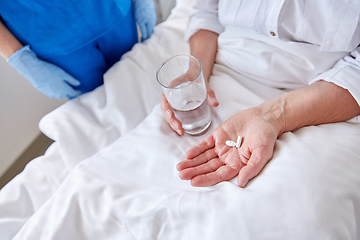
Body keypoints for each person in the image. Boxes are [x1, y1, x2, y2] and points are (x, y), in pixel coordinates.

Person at [161, 0, 360, 188]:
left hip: (324, 95)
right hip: (219, 71)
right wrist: (196, 75)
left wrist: (271, 117)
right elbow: (207, 11)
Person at [0, 0, 156, 99]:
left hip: (112, 10)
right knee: (99, 108)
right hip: (48, 35)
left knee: (141, 80)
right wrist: (22, 61)